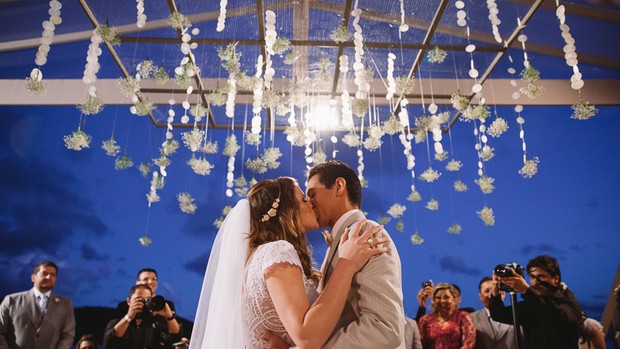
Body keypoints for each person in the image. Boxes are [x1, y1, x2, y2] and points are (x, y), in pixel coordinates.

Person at [189, 176, 389, 349]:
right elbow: (307, 337)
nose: (310, 203)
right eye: (303, 199)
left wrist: (332, 256)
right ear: (286, 211)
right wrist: (346, 263)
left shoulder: (259, 257)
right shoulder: (278, 250)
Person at [306, 160, 406, 348]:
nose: (309, 204)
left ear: (338, 186)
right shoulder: (341, 241)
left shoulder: (365, 232)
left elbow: (384, 327)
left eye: (312, 195)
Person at [490, 255, 583, 349]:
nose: (535, 282)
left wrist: (527, 291)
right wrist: (495, 292)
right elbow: (498, 314)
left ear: (556, 279)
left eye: (541, 276)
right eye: (532, 277)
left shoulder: (568, 301)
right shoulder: (531, 304)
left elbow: (557, 317)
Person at [0, 260, 75, 349]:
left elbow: (68, 335)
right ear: (33, 277)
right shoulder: (11, 300)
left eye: (53, 275)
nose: (48, 277)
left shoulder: (65, 304)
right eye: (44, 273)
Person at [103, 284, 182, 349]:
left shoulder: (155, 325)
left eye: (147, 300)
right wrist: (128, 317)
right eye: (139, 299)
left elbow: (175, 338)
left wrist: (169, 316)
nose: (143, 303)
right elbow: (109, 342)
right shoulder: (116, 322)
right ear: (128, 301)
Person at [418, 283, 476, 349]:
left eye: (446, 297)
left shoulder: (463, 317)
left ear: (454, 299)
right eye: (438, 298)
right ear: (433, 300)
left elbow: (469, 344)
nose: (442, 301)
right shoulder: (425, 320)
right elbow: (420, 345)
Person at [470, 276, 515, 349]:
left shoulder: (515, 315)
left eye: (496, 290)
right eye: (487, 291)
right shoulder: (470, 318)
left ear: (503, 293)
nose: (491, 294)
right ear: (480, 296)